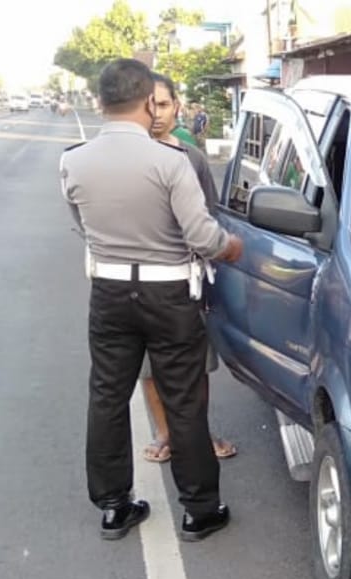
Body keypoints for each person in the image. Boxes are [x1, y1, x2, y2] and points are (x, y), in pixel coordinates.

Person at [60, 58, 244, 542]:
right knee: (183, 401)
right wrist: (231, 247)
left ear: (99, 104)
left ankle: (114, 506)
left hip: (109, 293)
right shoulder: (171, 162)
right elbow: (203, 236)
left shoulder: (72, 160)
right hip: (169, 294)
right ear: (148, 102)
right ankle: (200, 511)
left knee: (107, 396)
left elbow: (82, 226)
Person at [141, 71, 237, 463]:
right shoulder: (124, 158)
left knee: (195, 365)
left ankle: (198, 434)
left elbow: (210, 218)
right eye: (148, 106)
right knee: (149, 365)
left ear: (177, 107)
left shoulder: (191, 157)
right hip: (137, 283)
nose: (156, 114)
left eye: (163, 105)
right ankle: (165, 435)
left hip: (187, 279)